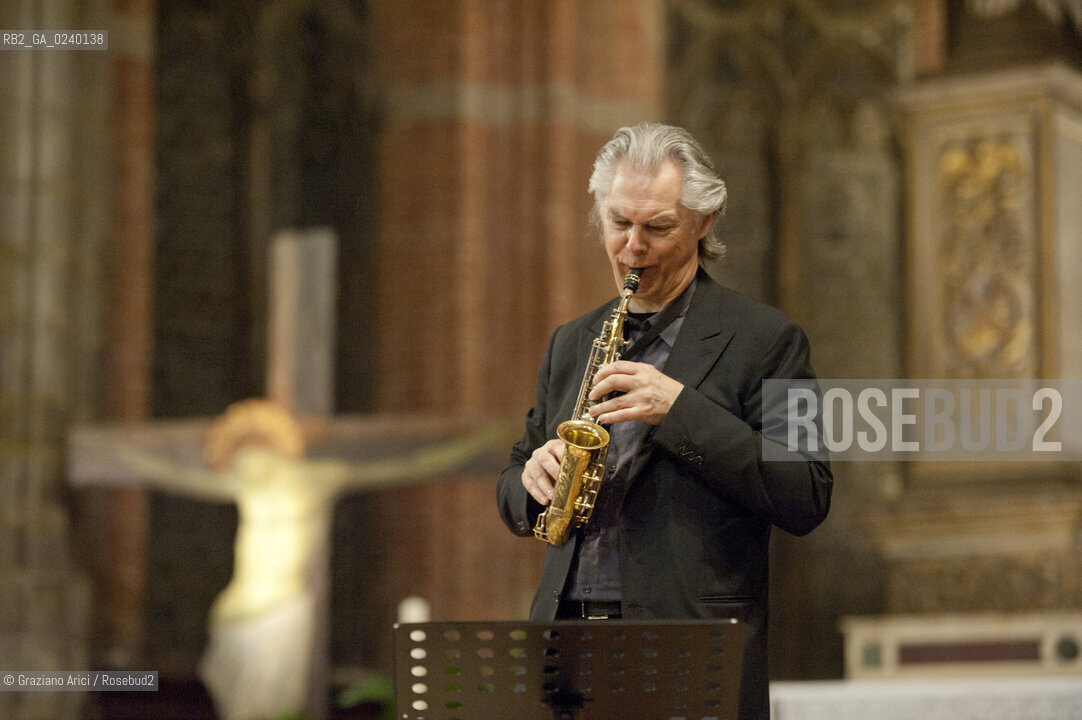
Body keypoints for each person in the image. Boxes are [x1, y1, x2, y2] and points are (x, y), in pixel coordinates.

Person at [497, 122, 833, 719]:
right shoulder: (572, 342)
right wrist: (531, 478)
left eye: (657, 228)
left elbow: (806, 491)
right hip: (566, 647)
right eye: (618, 224)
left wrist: (679, 412)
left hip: (688, 653)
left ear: (704, 223)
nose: (633, 248)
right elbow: (514, 474)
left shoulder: (769, 340)